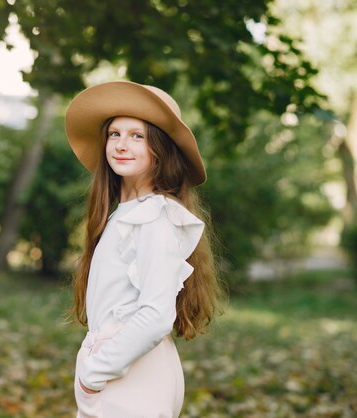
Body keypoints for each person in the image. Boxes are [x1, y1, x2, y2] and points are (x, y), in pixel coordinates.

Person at [64, 80, 225, 418]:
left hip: (130, 377)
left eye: (137, 136)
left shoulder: (154, 217)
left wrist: (95, 373)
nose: (122, 144)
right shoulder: (128, 214)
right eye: (114, 134)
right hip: (120, 374)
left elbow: (155, 315)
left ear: (159, 150)